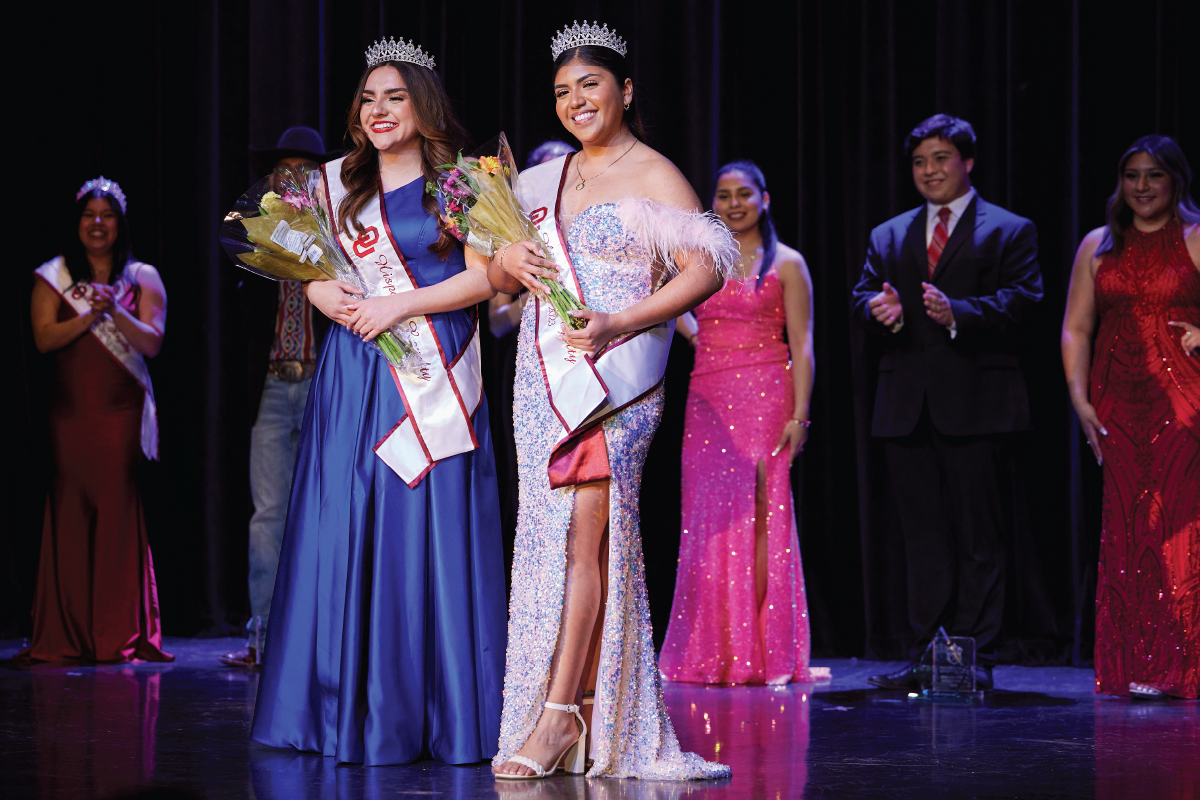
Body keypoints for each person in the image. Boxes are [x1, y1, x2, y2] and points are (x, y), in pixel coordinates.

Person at [249, 37, 506, 765]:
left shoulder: (461, 180)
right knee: (347, 520)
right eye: (368, 98)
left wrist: (400, 307)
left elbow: (486, 279)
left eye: (395, 97)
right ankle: (338, 706)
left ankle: (441, 711)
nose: (380, 110)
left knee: (427, 522)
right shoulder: (333, 184)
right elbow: (309, 272)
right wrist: (337, 303)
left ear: (424, 105)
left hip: (435, 367)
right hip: (356, 368)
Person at [489, 21, 735, 780]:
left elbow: (705, 272)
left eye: (589, 84)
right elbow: (494, 276)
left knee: (586, 538)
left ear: (625, 90)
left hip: (616, 378)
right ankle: (587, 710)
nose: (575, 101)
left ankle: (559, 718)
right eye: (561, 91)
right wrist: (501, 254)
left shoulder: (656, 174)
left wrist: (621, 321)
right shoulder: (540, 180)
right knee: (548, 540)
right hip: (543, 380)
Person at [850, 114, 1043, 691]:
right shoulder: (890, 234)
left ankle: (973, 658)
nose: (929, 171)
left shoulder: (1009, 229)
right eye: (919, 162)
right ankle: (926, 654)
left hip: (978, 402)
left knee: (979, 539)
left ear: (967, 162)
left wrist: (963, 312)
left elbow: (1026, 301)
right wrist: (875, 310)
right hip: (908, 405)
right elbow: (862, 296)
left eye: (940, 159)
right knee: (924, 539)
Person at [659, 160, 830, 686]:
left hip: (766, 395)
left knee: (761, 519)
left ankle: (761, 650)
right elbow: (667, 303)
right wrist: (697, 337)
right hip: (709, 394)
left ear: (764, 199)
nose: (734, 203)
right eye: (725, 195)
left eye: (744, 194)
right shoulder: (703, 259)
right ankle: (715, 650)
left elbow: (802, 344)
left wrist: (800, 415)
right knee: (708, 521)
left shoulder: (788, 264)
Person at [1061, 135, 1200, 700]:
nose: (1142, 187)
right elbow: (1076, 326)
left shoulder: (1193, 238)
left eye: (1154, 176)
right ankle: (1135, 664)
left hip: (1182, 400)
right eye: (1132, 176)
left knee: (1178, 527)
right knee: (1127, 526)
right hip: (1116, 400)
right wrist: (1079, 399)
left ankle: (1182, 665)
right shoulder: (1099, 245)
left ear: (1175, 182)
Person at [23, 177, 171, 663]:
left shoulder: (142, 276)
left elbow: (151, 342)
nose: (98, 223)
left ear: (119, 223)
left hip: (120, 413)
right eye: (90, 215)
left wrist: (114, 311)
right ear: (78, 221)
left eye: (107, 215)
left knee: (116, 510)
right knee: (68, 509)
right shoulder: (54, 277)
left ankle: (116, 635)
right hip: (70, 413)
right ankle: (66, 636)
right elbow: (44, 338)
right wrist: (90, 316)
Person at [220, 126, 336, 669]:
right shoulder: (254, 236)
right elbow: (238, 319)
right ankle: (262, 638)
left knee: (325, 508)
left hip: (321, 382)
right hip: (269, 384)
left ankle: (322, 635)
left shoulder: (339, 234)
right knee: (268, 514)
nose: (294, 181)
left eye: (306, 172)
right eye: (285, 171)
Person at [487, 139, 578, 579]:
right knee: (531, 484)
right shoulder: (516, 235)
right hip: (530, 367)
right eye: (541, 167)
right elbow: (497, 322)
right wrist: (532, 301)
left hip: (588, 360)